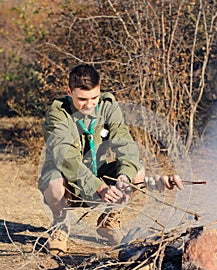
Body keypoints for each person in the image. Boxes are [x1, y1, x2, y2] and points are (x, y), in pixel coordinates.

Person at [38, 64, 183, 254]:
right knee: (53, 183)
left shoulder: (107, 106)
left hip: (97, 171)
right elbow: (67, 159)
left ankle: (109, 222)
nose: (89, 105)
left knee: (136, 171)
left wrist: (124, 177)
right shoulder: (57, 114)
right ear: (69, 92)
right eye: (82, 99)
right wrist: (99, 187)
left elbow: (125, 144)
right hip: (69, 179)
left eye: (94, 98)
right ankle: (60, 225)